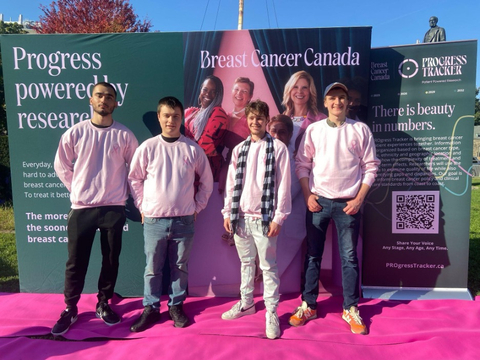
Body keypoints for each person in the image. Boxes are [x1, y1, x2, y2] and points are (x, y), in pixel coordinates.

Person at [290, 82, 380, 335]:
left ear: (348, 102)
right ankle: (308, 304)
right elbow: (302, 164)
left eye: (342, 97)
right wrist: (308, 195)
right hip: (317, 202)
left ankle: (350, 308)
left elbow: (371, 167)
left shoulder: (360, 130)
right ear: (326, 102)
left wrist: (359, 199)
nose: (337, 102)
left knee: (349, 258)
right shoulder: (314, 130)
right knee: (312, 256)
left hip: (348, 205)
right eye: (333, 98)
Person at [52, 82, 139, 336]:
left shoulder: (125, 135)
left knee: (110, 259)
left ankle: (103, 303)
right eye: (99, 96)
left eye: (109, 97)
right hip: (82, 208)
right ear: (91, 100)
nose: (104, 100)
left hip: (113, 207)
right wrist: (78, 190)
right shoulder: (75, 132)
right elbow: (61, 165)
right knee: (76, 261)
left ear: (115, 103)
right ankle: (70, 308)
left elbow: (134, 172)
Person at [128, 96, 213, 332]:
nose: (171, 120)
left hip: (184, 220)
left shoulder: (192, 149)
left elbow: (207, 181)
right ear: (159, 117)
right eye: (166, 115)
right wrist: (142, 206)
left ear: (181, 119)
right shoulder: (148, 147)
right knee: (152, 268)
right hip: (154, 219)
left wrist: (196, 207)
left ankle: (176, 305)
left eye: (176, 116)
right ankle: (151, 308)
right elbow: (134, 178)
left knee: (180, 266)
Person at [221, 100, 291, 340]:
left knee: (268, 266)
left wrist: (278, 217)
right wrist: (228, 213)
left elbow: (283, 186)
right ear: (247, 120)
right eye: (251, 117)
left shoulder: (278, 148)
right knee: (246, 263)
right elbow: (231, 184)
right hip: (241, 218)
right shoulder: (239, 149)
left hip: (264, 219)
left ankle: (271, 311)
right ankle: (246, 303)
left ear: (267, 120)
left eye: (260, 118)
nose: (255, 121)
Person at [185, 75, 228, 181]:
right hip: (188, 169)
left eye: (213, 91)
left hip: (206, 172)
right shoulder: (190, 113)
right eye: (205, 89)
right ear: (200, 90)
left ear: (218, 95)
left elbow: (206, 146)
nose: (208, 94)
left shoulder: (218, 114)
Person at [218, 77, 254, 193]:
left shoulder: (251, 120)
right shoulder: (223, 116)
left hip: (242, 172)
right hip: (219, 170)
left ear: (250, 97)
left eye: (244, 91)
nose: (239, 93)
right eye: (236, 89)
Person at [282, 70, 327, 154]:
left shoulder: (321, 120)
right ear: (289, 90)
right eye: (295, 87)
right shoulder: (281, 119)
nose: (299, 91)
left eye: (304, 87)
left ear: (310, 91)